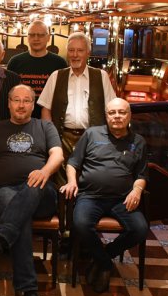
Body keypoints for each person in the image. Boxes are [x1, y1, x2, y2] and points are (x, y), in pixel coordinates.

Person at [0, 84, 64, 296]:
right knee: (20, 217)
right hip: (5, 191)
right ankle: (29, 292)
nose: (21, 105)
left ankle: (1, 238)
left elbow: (58, 155)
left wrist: (44, 172)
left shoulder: (45, 126)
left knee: (32, 186)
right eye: (17, 100)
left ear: (33, 105)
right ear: (9, 103)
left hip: (42, 193)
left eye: (27, 100)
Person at [60, 98, 148, 294]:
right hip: (90, 196)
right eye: (112, 112)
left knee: (140, 229)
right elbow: (73, 163)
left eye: (121, 112)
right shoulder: (91, 134)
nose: (117, 116)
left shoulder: (138, 141)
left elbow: (142, 175)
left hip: (122, 199)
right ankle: (106, 264)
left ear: (129, 115)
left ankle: (102, 257)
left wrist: (137, 190)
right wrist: (72, 181)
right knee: (81, 224)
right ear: (106, 115)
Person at [38, 31, 116, 185]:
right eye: (71, 50)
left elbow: (111, 109)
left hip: (93, 139)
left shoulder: (101, 76)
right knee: (61, 183)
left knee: (90, 179)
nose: (75, 55)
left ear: (88, 53)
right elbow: (46, 109)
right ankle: (63, 202)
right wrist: (51, 137)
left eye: (80, 50)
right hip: (62, 138)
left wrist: (109, 138)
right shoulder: (56, 76)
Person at [7, 20, 67, 118]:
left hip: (50, 119)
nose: (36, 38)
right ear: (27, 37)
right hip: (20, 118)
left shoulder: (60, 63)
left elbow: (63, 96)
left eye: (41, 35)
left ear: (48, 37)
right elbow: (9, 94)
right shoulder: (15, 62)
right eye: (32, 35)